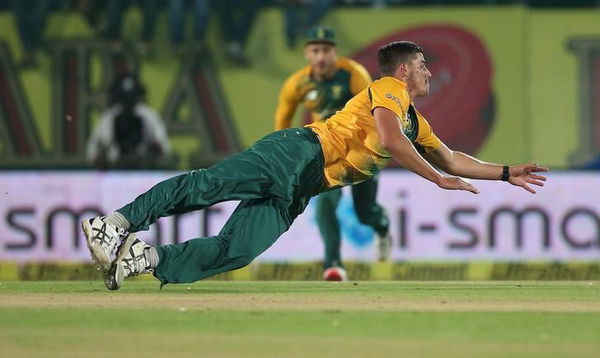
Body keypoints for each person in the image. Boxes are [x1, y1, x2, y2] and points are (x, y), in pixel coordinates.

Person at [82, 41, 548, 290]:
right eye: (423, 64)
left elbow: (452, 157)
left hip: (304, 185)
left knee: (239, 249)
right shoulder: (389, 89)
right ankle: (114, 224)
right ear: (402, 70)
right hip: (299, 151)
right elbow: (392, 141)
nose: (428, 72)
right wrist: (438, 179)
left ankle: (145, 258)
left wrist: (506, 173)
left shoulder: (415, 119)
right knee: (209, 186)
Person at [275, 26, 391, 281]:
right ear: (307, 53)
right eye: (315, 51)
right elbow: (283, 121)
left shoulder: (352, 74)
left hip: (363, 148)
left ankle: (382, 226)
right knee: (326, 205)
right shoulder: (297, 83)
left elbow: (375, 111)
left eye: (326, 50)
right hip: (329, 150)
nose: (321, 57)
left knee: (365, 211)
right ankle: (333, 265)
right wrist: (284, 155)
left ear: (335, 52)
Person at [86, 73, 172, 169]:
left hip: (143, 170)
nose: (128, 102)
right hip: (115, 170)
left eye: (131, 98)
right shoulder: (109, 117)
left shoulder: (148, 116)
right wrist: (104, 155)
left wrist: (151, 144)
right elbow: (92, 152)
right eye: (124, 98)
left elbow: (165, 150)